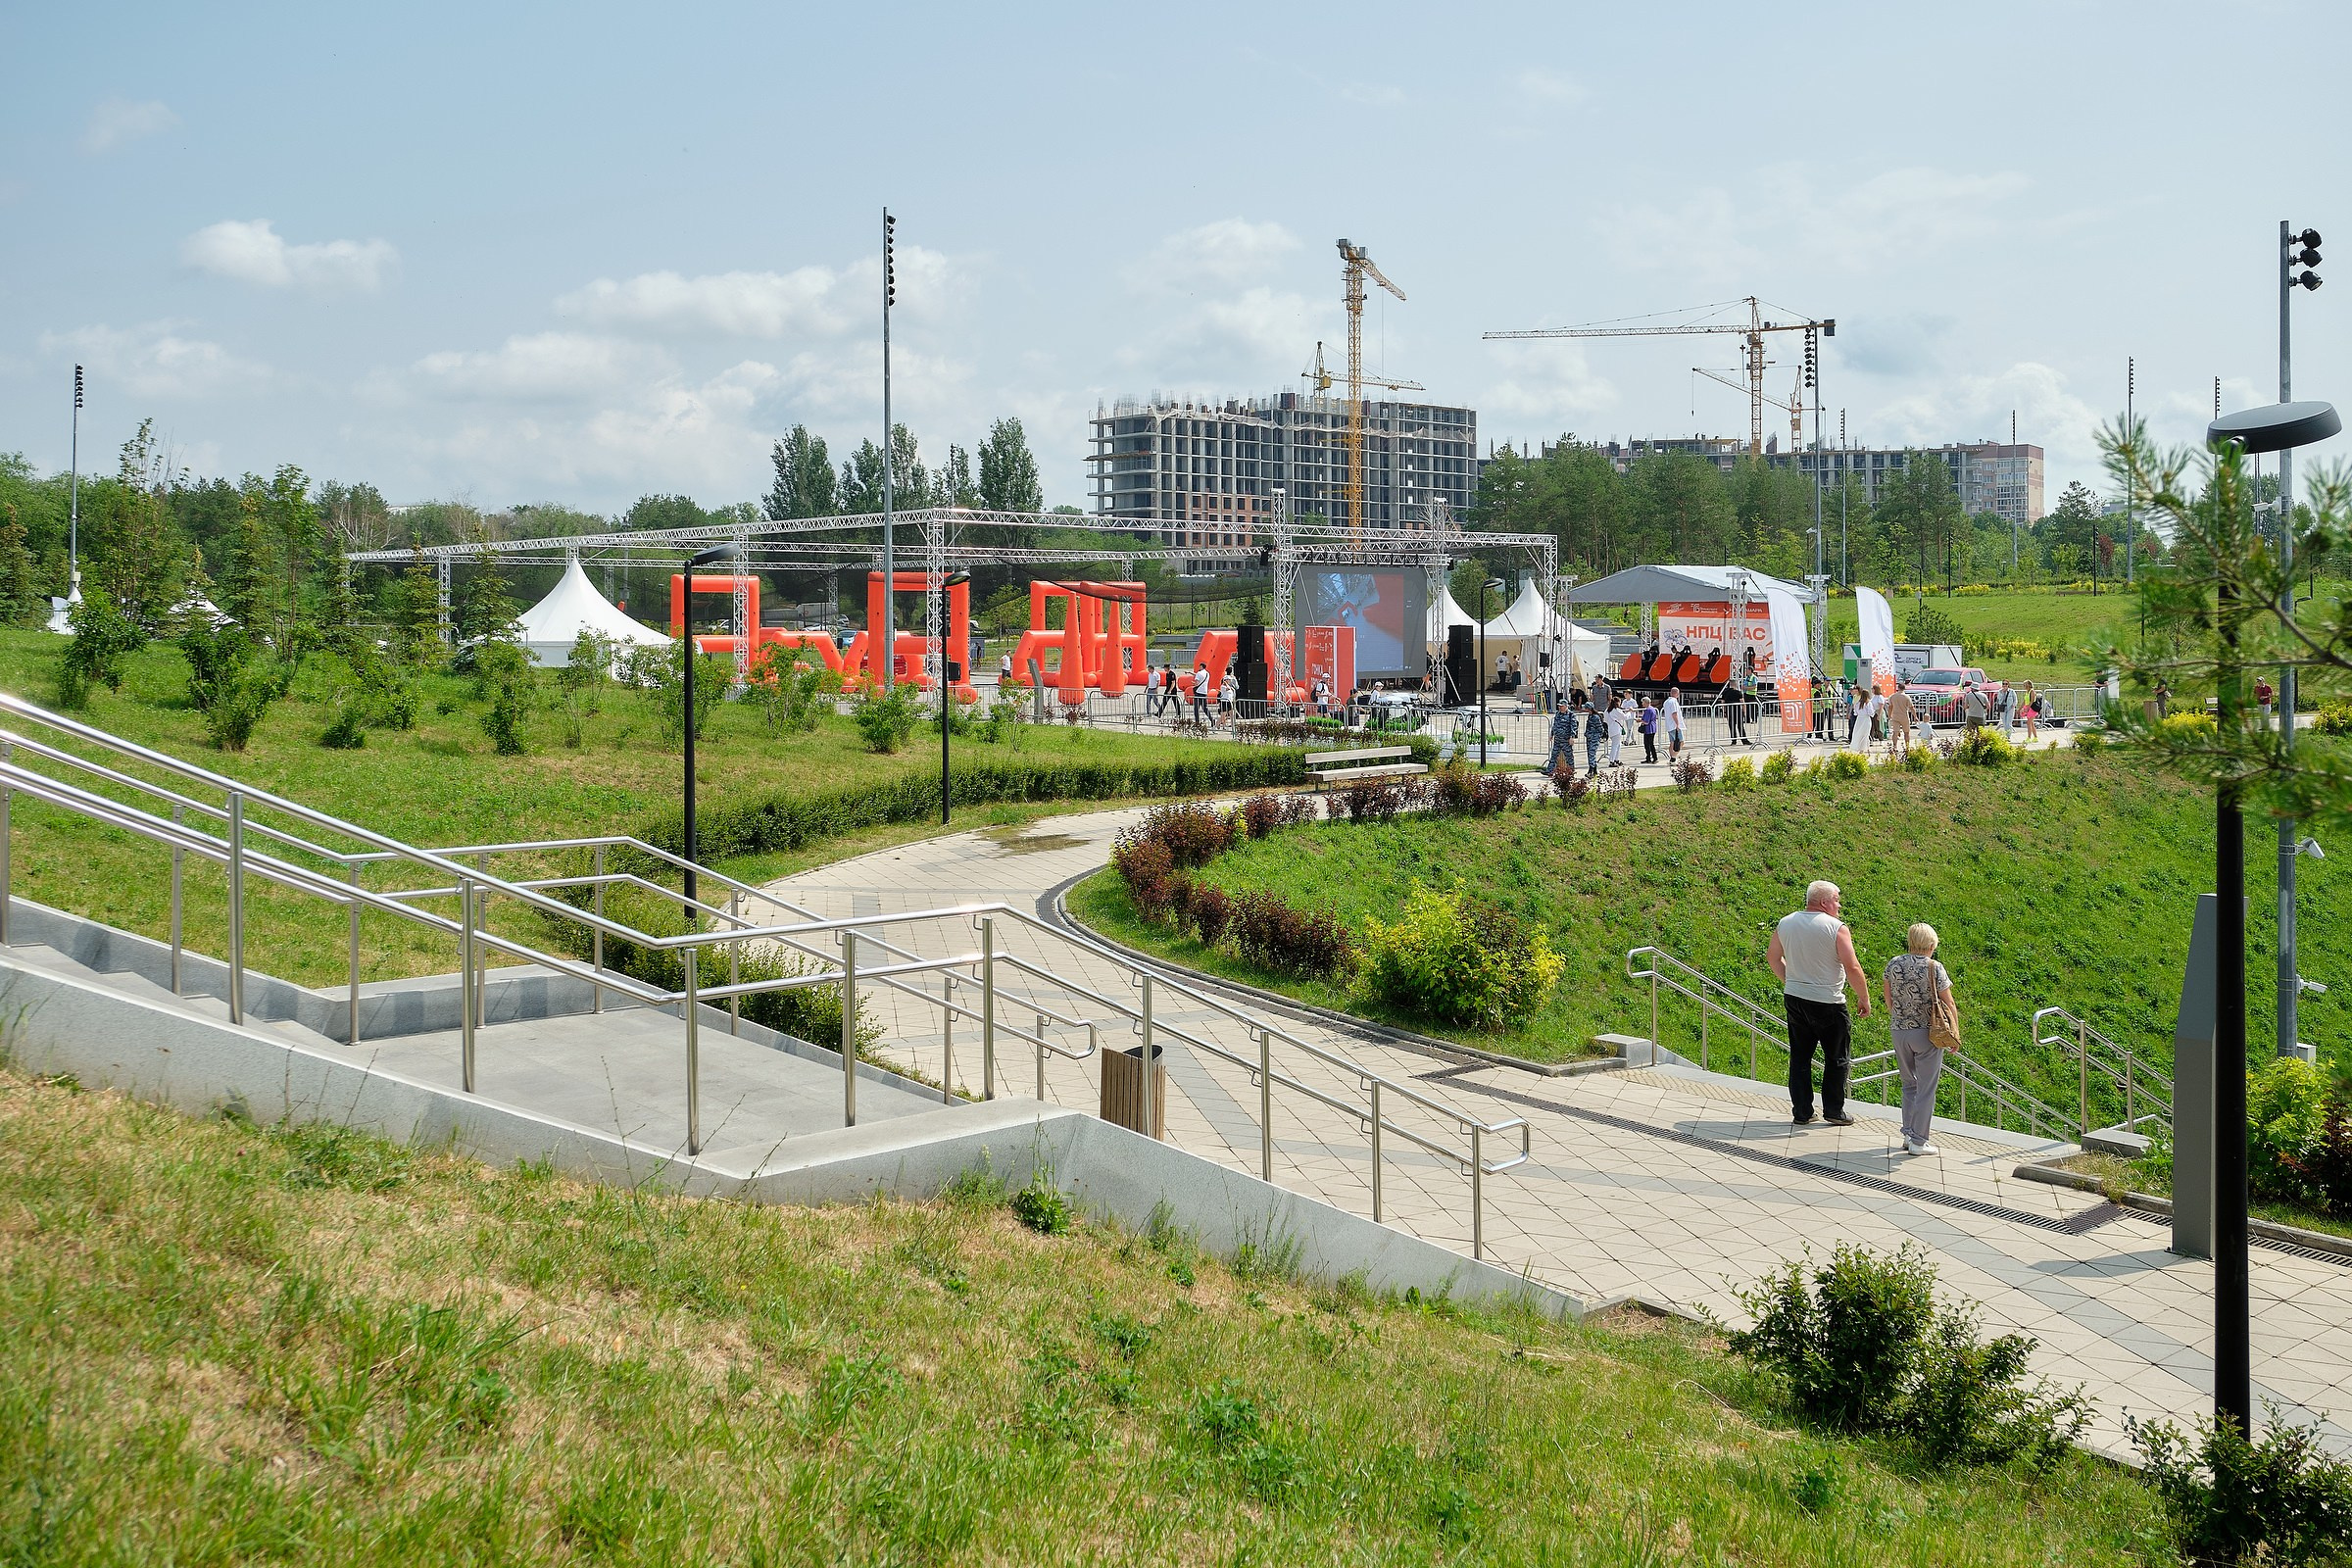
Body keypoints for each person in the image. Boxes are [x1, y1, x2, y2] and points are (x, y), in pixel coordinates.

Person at [1767, 880, 1872, 1127]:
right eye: (1836, 899)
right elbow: (1852, 966)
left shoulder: (1786, 922)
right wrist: (1864, 997)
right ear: (1824, 902)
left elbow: (1773, 957)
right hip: (1829, 1002)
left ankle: (1802, 1111)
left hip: (1795, 998)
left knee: (1800, 1057)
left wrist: (1791, 981)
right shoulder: (1836, 928)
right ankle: (1834, 1110)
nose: (1839, 904)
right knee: (1836, 1058)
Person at [1883, 923, 1954, 1155]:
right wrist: (1954, 1033)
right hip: (1927, 1033)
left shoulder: (1894, 963)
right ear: (1931, 945)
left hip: (1899, 1030)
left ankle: (1907, 1134)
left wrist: (1902, 1017)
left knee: (1908, 1084)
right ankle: (1919, 1141)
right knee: (1926, 1088)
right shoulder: (1935, 967)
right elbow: (1948, 1002)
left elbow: (1889, 999)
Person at [1546, 698, 1578, 780]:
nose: (1560, 708)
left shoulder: (1571, 715)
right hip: (1557, 740)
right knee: (1554, 756)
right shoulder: (1558, 714)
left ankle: (1571, 771)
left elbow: (1573, 727)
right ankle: (1549, 771)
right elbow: (1555, 725)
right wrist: (1552, 734)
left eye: (1561, 706)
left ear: (1566, 706)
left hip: (1566, 740)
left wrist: (1572, 737)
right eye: (1559, 706)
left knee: (1569, 757)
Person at [1887, 682, 1914, 754]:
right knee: (1906, 733)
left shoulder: (1892, 696)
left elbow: (1890, 707)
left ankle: (1895, 746)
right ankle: (1907, 746)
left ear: (1898, 688)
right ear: (1904, 688)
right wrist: (1915, 716)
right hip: (1904, 716)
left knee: (1895, 732)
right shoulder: (1906, 697)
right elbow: (1912, 707)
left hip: (1895, 716)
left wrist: (1889, 715)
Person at [1584, 699, 1606, 773]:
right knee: (1590, 754)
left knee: (1592, 753)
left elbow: (1600, 728)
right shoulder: (1590, 716)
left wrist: (1598, 736)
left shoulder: (1595, 717)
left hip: (1594, 738)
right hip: (1589, 737)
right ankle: (1593, 769)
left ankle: (1592, 769)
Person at [1663, 686, 1686, 760]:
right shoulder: (1673, 702)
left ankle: (1672, 757)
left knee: (1672, 742)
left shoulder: (1666, 702)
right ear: (1677, 694)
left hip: (1669, 725)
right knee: (1681, 742)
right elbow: (1674, 713)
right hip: (1674, 725)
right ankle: (1673, 757)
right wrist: (1677, 724)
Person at [1638, 694, 1660, 764]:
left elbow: (1646, 722)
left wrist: (1640, 720)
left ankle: (1652, 758)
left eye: (1643, 702)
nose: (1642, 703)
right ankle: (1651, 758)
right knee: (1650, 744)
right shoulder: (1652, 709)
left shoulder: (1648, 710)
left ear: (1646, 702)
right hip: (1652, 728)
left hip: (1649, 729)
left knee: (1648, 744)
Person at [2020, 679, 2039, 743]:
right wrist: (2020, 708)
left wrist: (2027, 707)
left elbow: (2032, 701)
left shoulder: (2032, 691)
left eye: (2025, 685)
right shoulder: (2027, 692)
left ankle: (2029, 737)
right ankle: (2035, 737)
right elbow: (2025, 701)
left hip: (2032, 709)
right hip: (2028, 708)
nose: (2024, 686)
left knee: (2028, 723)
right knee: (2031, 723)